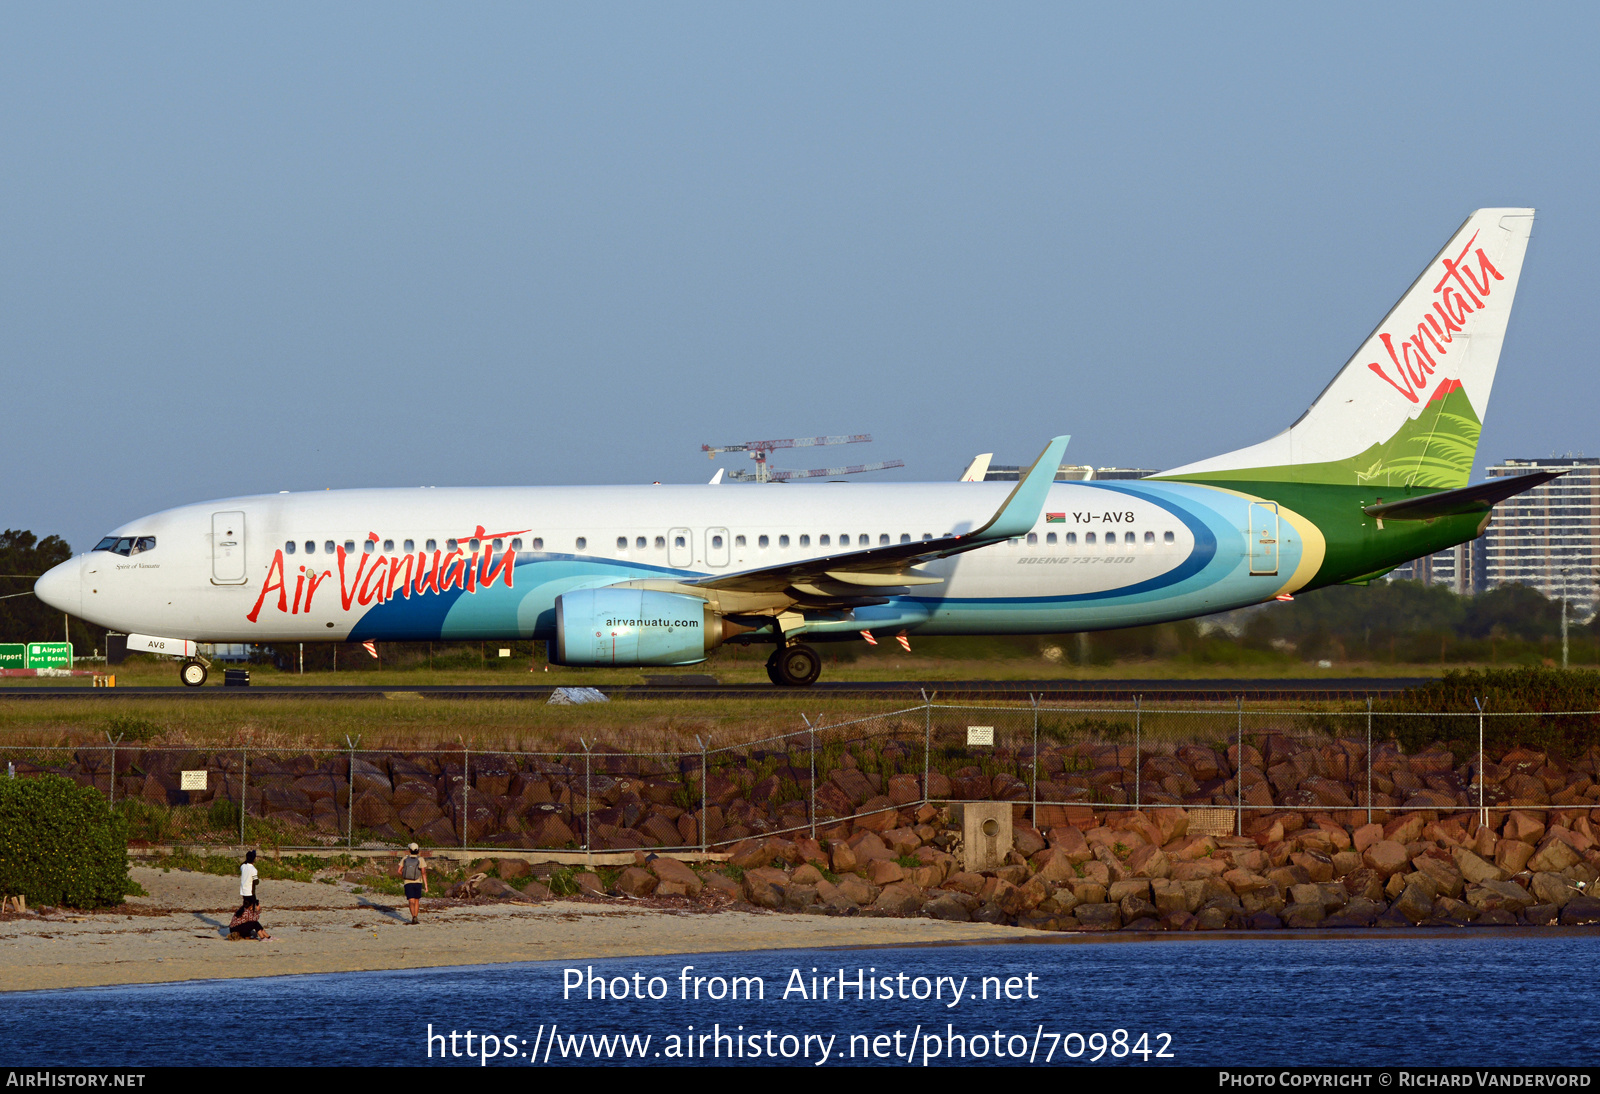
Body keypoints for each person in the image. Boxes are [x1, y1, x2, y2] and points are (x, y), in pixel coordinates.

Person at [397, 843, 428, 925]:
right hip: (418, 882)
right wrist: (426, 885)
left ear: (409, 850)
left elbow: (399, 871)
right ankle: (415, 916)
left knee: (411, 900)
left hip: (407, 882)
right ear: (418, 850)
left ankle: (413, 916)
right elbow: (423, 872)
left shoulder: (405, 858)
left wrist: (405, 875)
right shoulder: (420, 859)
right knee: (416, 900)